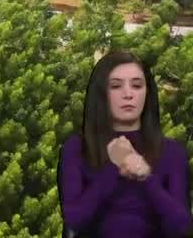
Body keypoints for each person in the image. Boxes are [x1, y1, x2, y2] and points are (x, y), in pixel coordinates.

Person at [57, 51, 193, 237]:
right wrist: (115, 166)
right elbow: (75, 220)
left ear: (147, 92)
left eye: (137, 86)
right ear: (101, 93)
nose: (128, 94)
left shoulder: (172, 152)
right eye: (116, 86)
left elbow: (180, 226)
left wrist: (145, 176)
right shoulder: (77, 148)